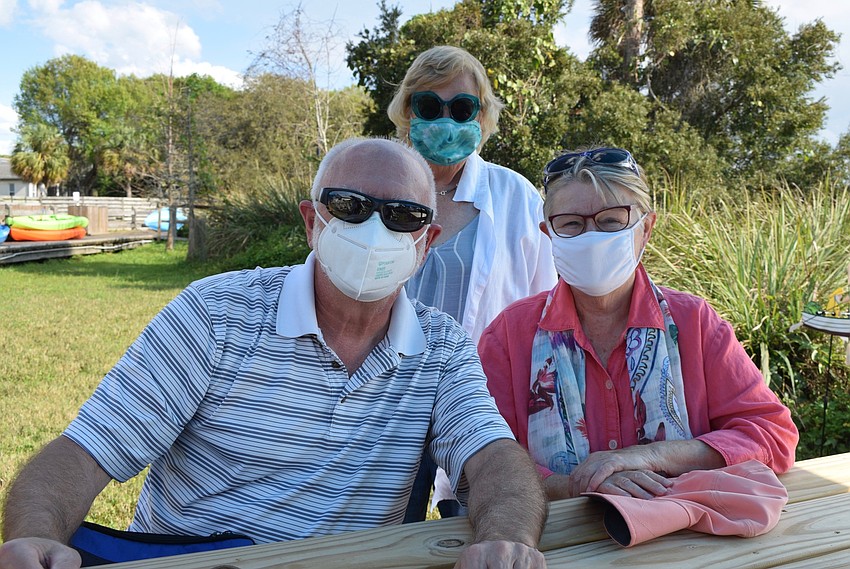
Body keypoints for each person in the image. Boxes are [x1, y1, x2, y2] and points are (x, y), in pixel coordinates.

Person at [0, 138, 548, 569]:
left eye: (402, 216)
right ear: (313, 222)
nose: (374, 228)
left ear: (426, 243)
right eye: (350, 207)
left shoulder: (442, 347)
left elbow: (494, 459)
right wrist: (34, 536)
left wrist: (508, 537)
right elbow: (84, 454)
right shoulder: (216, 314)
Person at [478, 146, 799, 502]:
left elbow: (771, 434)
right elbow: (484, 459)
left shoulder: (693, 322)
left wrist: (651, 456)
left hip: (681, 540)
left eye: (610, 221)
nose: (591, 238)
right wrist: (581, 484)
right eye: (571, 224)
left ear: (645, 228)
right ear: (548, 232)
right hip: (557, 543)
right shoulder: (509, 334)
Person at [387, 45, 558, 521]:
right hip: (383, 391)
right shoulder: (378, 184)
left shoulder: (514, 196)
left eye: (462, 107)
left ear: (482, 117)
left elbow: (547, 306)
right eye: (428, 106)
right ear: (407, 112)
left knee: (472, 517)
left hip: (479, 396)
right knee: (375, 530)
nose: (445, 119)